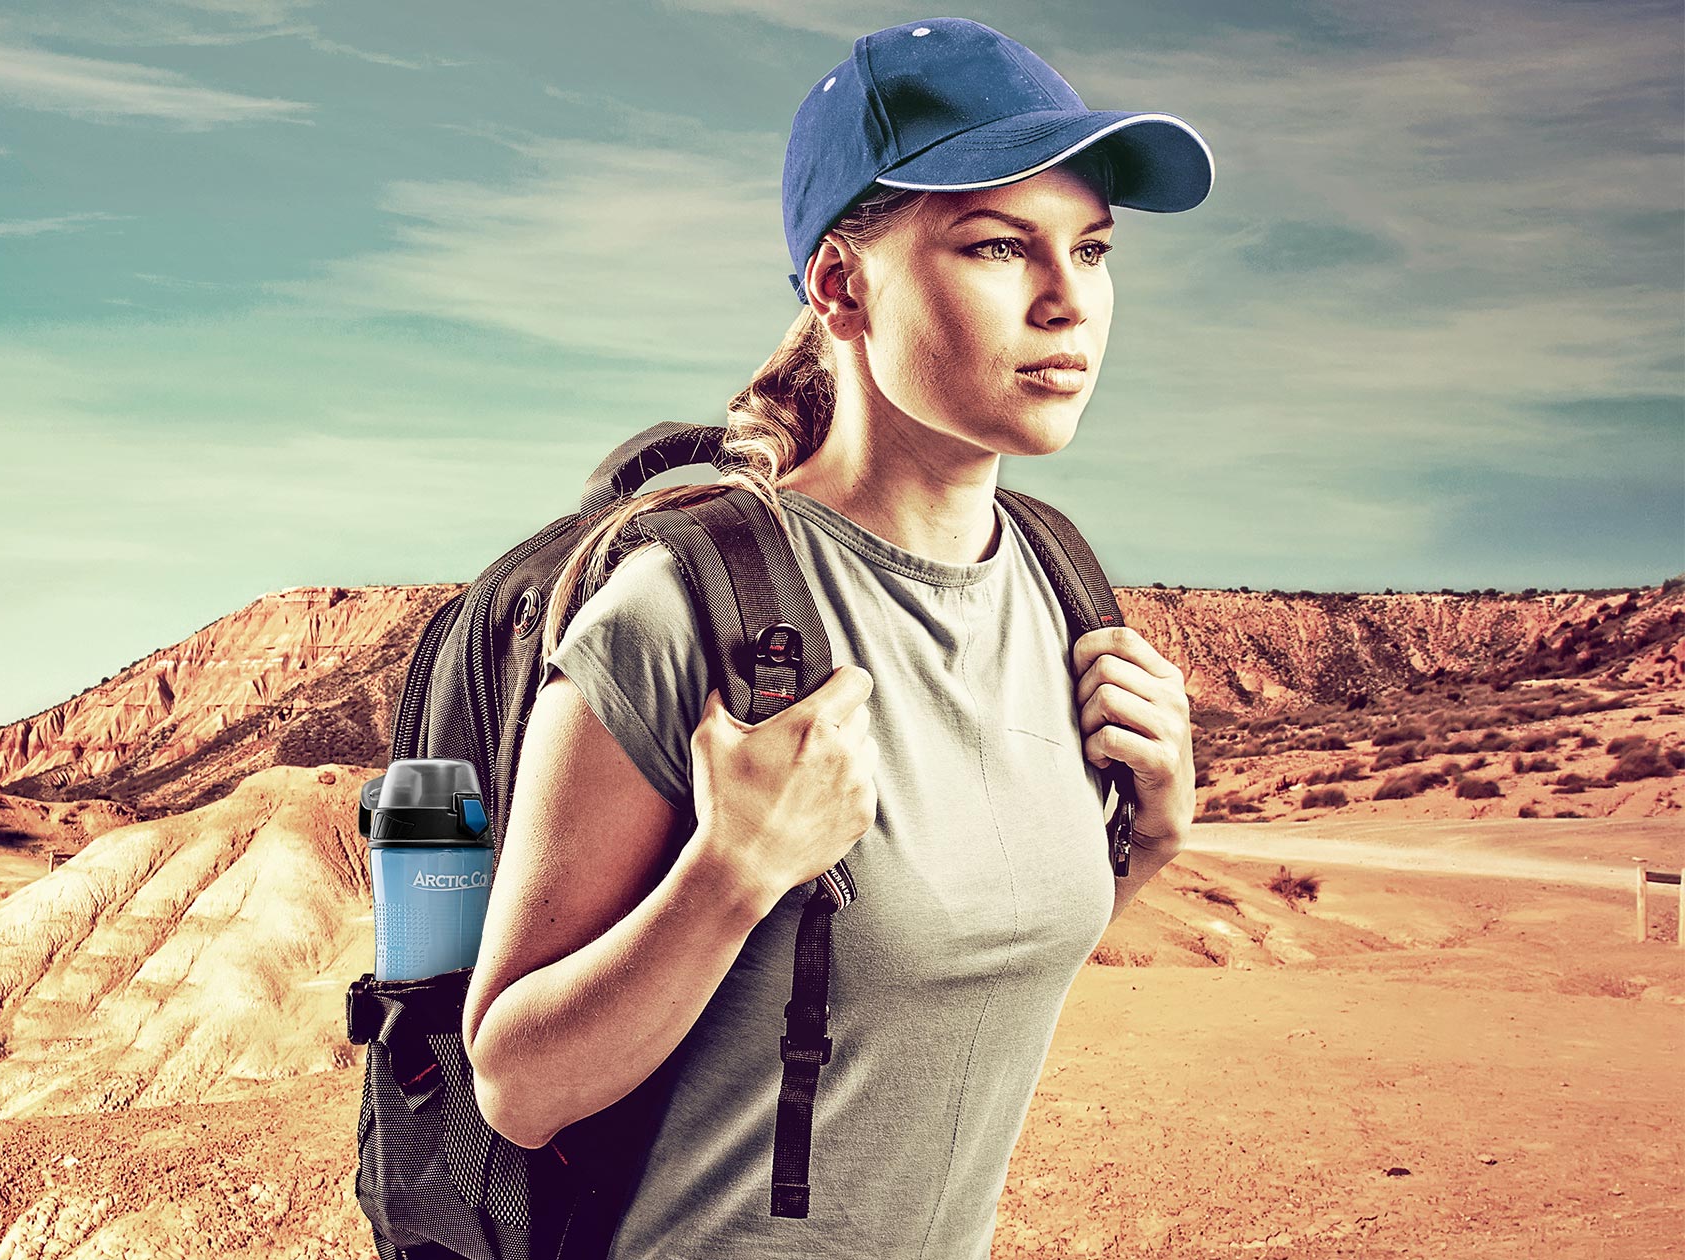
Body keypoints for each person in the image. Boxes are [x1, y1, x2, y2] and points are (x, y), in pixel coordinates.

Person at [460, 19, 1210, 1259]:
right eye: (995, 246)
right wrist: (729, 875)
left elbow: (934, 980)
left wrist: (1152, 843)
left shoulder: (1062, 589)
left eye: (1091, 248)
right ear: (839, 286)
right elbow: (517, 1088)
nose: (1069, 299)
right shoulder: (682, 609)